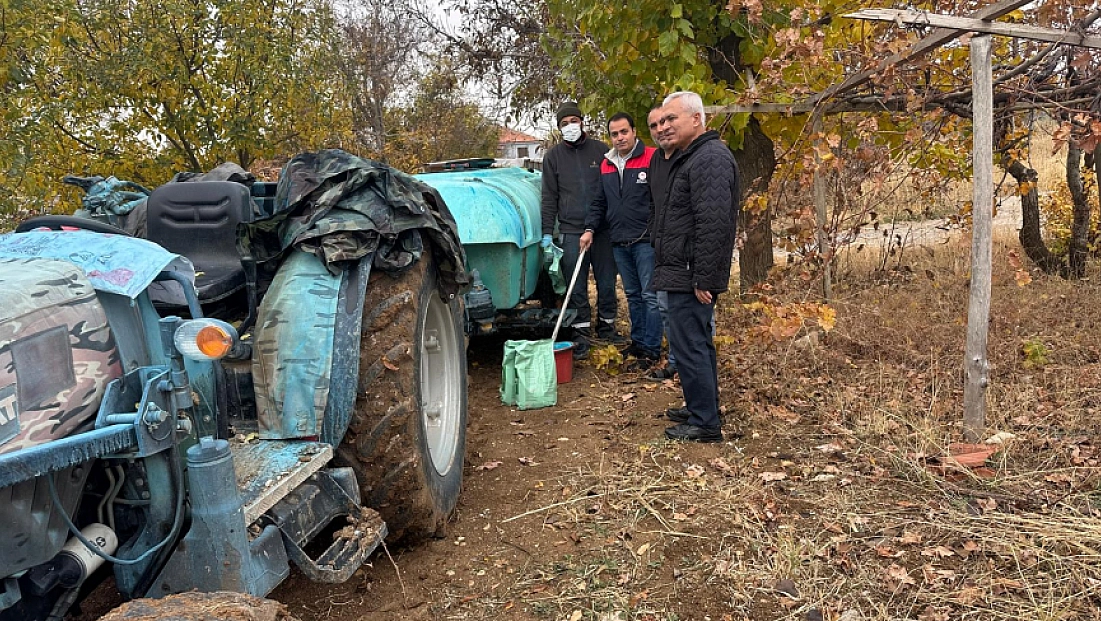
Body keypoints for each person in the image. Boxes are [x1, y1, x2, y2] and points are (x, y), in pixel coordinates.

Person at [651, 91, 740, 443]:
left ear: (696, 119)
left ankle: (705, 424)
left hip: (691, 274)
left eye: (672, 118)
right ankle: (699, 407)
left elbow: (714, 224)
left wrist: (705, 277)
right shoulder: (693, 158)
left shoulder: (711, 158)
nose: (665, 126)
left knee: (692, 344)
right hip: (681, 270)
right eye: (662, 120)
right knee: (689, 343)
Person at [541, 101, 622, 359]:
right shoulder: (553, 158)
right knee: (575, 286)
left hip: (602, 230)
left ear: (582, 122)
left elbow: (613, 188)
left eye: (573, 122)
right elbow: (549, 197)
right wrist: (546, 233)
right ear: (559, 128)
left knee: (607, 282)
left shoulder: (601, 151)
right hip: (571, 230)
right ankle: (581, 333)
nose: (569, 127)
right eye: (564, 124)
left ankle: (608, 327)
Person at [580, 112, 660, 371]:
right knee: (633, 295)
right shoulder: (607, 164)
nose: (619, 138)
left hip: (646, 240)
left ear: (634, 131)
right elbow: (599, 202)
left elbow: (661, 200)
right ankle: (637, 342)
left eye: (624, 132)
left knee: (650, 295)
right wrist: (590, 228)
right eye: (614, 134)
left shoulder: (651, 158)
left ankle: (651, 348)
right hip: (619, 241)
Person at [645, 103, 679, 382]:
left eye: (664, 122)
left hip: (684, 252)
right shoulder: (656, 160)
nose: (660, 129)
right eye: (654, 126)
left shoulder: (687, 158)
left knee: (692, 313)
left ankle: (694, 363)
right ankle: (676, 361)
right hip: (660, 248)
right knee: (664, 305)